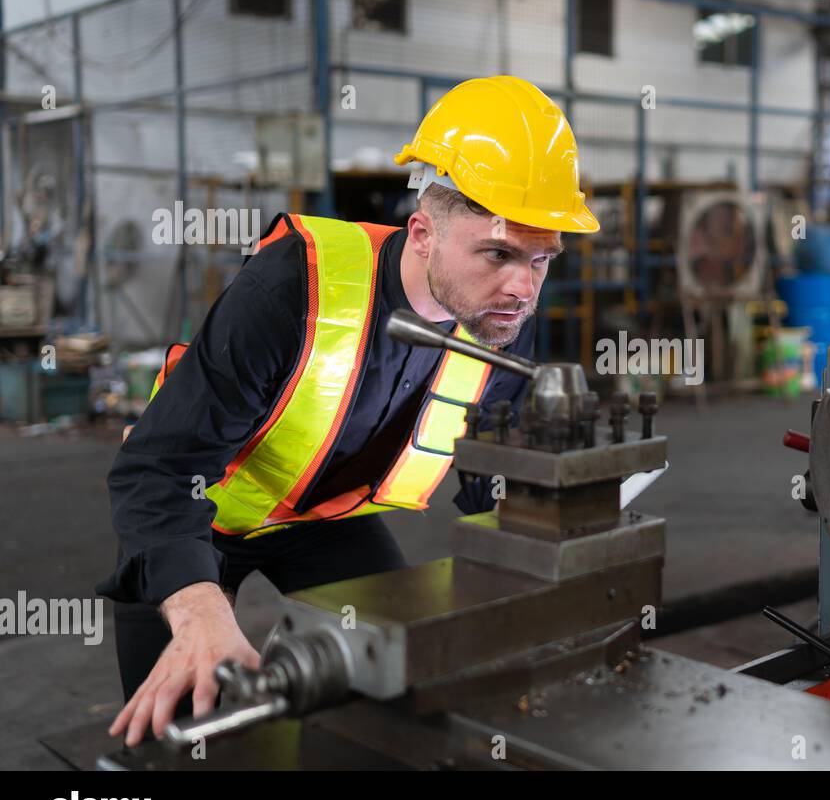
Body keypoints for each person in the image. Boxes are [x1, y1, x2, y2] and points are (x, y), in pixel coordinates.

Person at [97, 75, 599, 747]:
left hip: (327, 520)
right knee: (187, 731)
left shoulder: (499, 315)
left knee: (398, 680)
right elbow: (156, 468)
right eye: (499, 253)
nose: (522, 287)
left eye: (542, 261)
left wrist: (531, 570)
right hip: (199, 510)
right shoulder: (292, 285)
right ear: (422, 232)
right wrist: (195, 613)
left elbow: (491, 477)